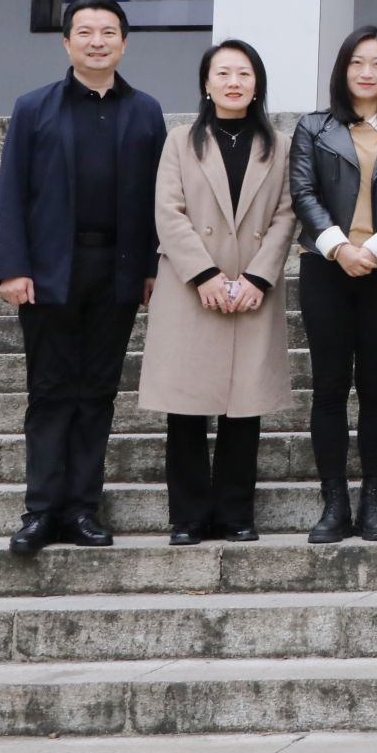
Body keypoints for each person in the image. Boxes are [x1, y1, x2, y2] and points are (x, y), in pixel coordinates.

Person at [0, 0, 167, 557]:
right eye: (86, 32)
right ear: (66, 42)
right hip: (49, 271)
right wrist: (14, 267)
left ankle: (82, 510)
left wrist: (150, 268)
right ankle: (41, 511)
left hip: (117, 270)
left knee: (97, 392)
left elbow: (159, 200)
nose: (97, 42)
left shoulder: (145, 112)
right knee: (49, 392)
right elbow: (11, 192)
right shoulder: (33, 108)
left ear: (124, 43)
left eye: (108, 32)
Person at [138, 40, 296, 545]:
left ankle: (235, 513)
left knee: (243, 407)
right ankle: (187, 516)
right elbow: (168, 212)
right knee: (185, 407)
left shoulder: (280, 145)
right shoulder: (181, 141)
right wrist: (204, 275)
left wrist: (258, 277)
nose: (234, 82)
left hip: (253, 287)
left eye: (244, 73)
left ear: (257, 83)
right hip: (190, 288)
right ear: (206, 84)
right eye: (223, 73)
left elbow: (287, 214)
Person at [288, 25, 377, 544]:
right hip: (326, 267)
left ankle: (372, 502)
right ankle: (334, 503)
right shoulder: (314, 127)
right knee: (328, 388)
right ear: (343, 69)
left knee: (376, 388)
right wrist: (340, 247)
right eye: (357, 63)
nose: (367, 73)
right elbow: (303, 191)